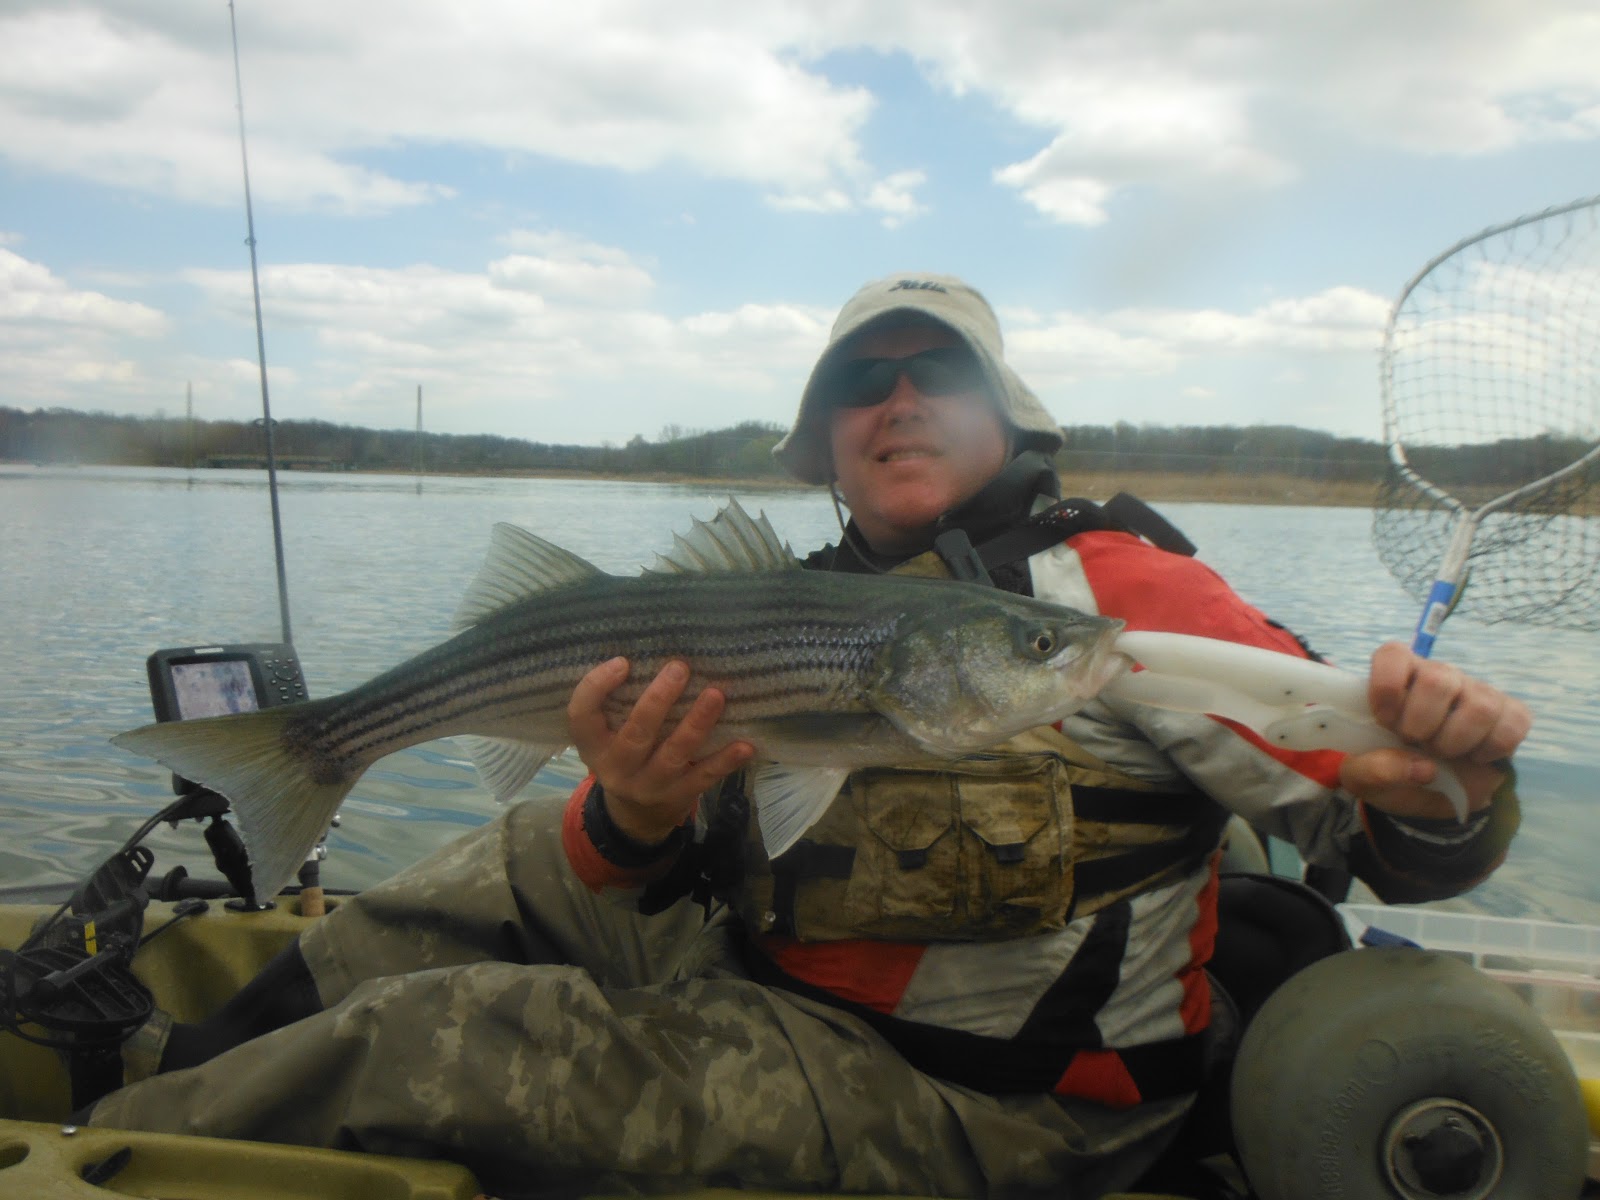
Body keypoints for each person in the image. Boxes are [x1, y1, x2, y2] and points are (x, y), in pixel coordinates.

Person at [85, 273, 1528, 1198]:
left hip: (992, 1112)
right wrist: (633, 810)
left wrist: (1450, 783)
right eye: (860, 385)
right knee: (478, 875)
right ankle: (160, 1063)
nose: (896, 401)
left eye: (932, 374)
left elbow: (1385, 824)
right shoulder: (797, 597)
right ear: (828, 435)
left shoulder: (1119, 594)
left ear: (998, 413)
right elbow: (654, 861)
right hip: (766, 979)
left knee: (444, 1035)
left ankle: (85, 1164)